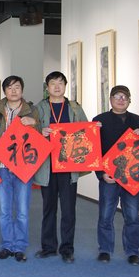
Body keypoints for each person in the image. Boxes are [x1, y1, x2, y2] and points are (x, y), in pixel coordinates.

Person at [92, 85, 139, 266]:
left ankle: (132, 251)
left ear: (129, 100)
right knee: (105, 215)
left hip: (132, 177)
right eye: (117, 96)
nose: (121, 99)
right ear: (110, 99)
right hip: (108, 177)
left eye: (124, 97)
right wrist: (101, 174)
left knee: (132, 216)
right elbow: (94, 150)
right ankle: (104, 249)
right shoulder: (99, 121)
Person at [34, 71, 88, 263]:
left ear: (65, 86)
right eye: (52, 83)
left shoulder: (74, 107)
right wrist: (40, 131)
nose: (57, 87)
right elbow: (29, 132)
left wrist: (94, 127)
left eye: (60, 83)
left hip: (68, 165)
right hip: (47, 165)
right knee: (48, 208)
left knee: (68, 209)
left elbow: (85, 130)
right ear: (47, 87)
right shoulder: (39, 107)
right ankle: (48, 247)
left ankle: (67, 249)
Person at [0, 75, 40, 262]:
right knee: (4, 210)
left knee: (22, 210)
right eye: (10, 87)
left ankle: (19, 247)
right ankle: (7, 245)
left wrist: (34, 124)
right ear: (4, 91)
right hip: (2, 167)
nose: (13, 91)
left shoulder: (32, 111)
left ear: (22, 90)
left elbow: (43, 135)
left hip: (23, 168)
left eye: (17, 87)